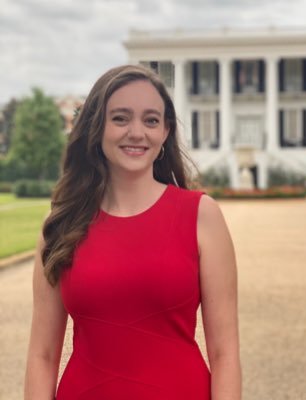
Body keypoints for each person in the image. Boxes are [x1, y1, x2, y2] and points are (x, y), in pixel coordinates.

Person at [24, 64, 241, 400]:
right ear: (97, 127)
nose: (137, 132)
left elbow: (225, 353)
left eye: (151, 120)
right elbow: (42, 354)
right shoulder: (61, 224)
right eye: (121, 118)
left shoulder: (202, 215)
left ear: (166, 131)